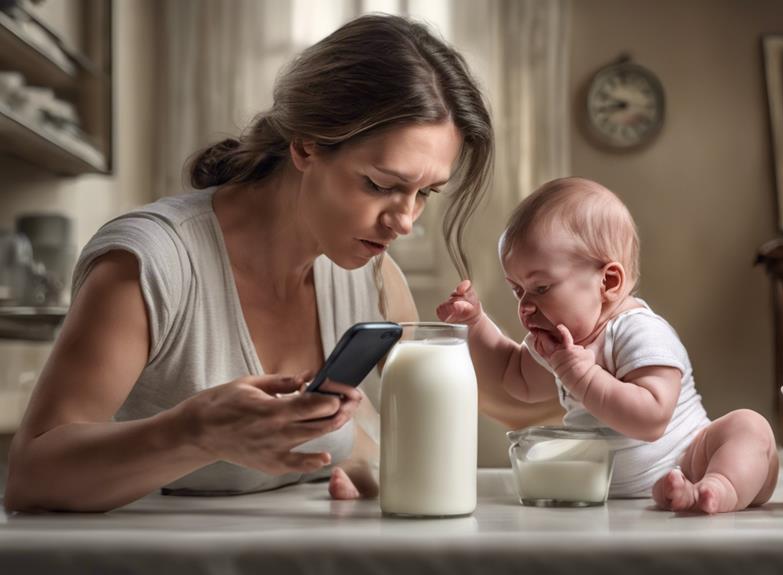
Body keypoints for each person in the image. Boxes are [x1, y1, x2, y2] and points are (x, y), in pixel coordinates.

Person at [4, 14, 500, 513]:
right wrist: (195, 433)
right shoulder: (150, 264)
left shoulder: (375, 280)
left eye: (425, 194)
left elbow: (396, 440)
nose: (405, 222)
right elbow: (32, 477)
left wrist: (363, 466)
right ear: (306, 145)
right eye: (380, 185)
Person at [437, 177, 779, 514]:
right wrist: (476, 324)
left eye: (540, 288)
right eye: (517, 290)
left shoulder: (638, 330)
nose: (525, 306)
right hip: (602, 485)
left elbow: (651, 419)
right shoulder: (561, 343)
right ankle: (682, 494)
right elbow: (515, 378)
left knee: (748, 427)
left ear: (608, 282)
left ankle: (718, 488)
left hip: (691, 459)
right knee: (540, 449)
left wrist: (582, 376)